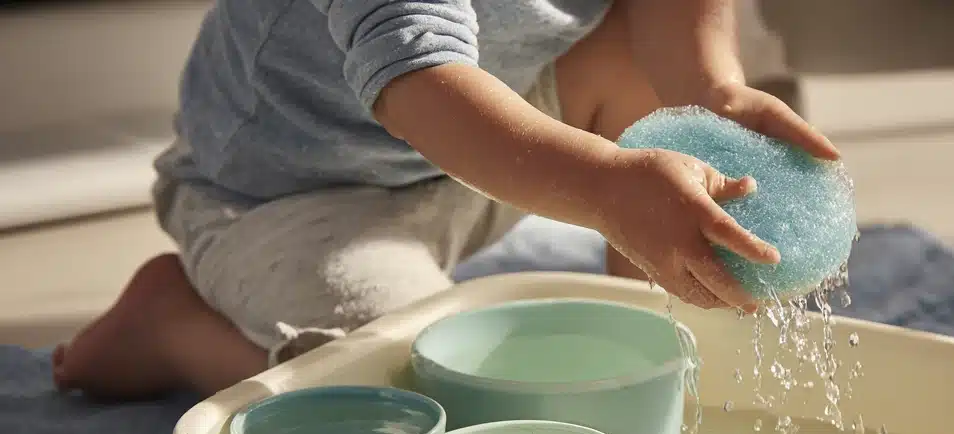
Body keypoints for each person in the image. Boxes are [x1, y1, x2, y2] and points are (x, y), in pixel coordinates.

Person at [52, 0, 839, 400]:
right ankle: (172, 329)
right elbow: (419, 85)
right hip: (287, 198)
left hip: (490, 151)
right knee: (415, 389)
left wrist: (711, 92)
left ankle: (633, 358)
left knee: (640, 65)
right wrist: (603, 187)